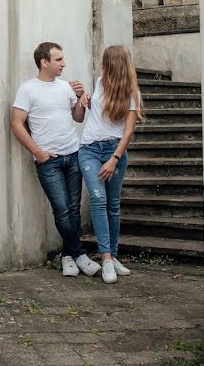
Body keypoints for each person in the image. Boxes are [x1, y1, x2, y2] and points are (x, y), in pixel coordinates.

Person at [11, 42, 101, 277]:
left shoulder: (65, 88)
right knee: (61, 210)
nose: (63, 63)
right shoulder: (28, 90)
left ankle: (68, 256)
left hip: (73, 155)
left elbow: (78, 118)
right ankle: (79, 253)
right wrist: (38, 153)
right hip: (48, 161)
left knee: (73, 210)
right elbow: (16, 124)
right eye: (58, 59)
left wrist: (81, 99)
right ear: (44, 62)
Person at [78, 45, 143, 284]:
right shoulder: (99, 83)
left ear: (112, 64)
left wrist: (113, 159)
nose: (101, 66)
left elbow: (128, 132)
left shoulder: (132, 93)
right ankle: (106, 258)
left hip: (115, 150)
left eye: (104, 62)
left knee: (113, 204)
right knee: (98, 199)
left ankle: (113, 256)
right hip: (89, 149)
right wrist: (87, 99)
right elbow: (96, 114)